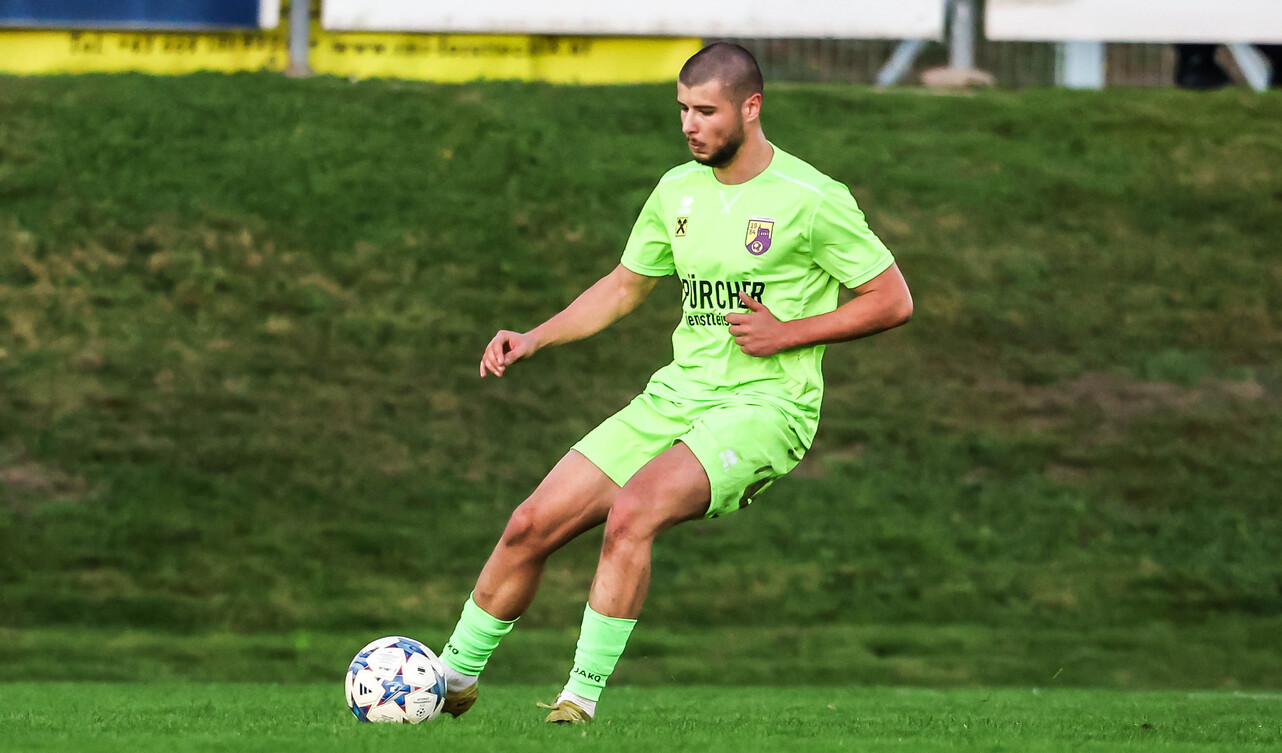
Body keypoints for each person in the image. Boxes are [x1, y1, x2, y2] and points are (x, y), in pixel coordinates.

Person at [435, 42, 914, 725]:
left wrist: (789, 333)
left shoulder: (812, 199)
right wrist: (534, 335)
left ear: (751, 108)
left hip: (767, 406)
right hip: (675, 395)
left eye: (706, 111)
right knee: (530, 523)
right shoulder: (676, 190)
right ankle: (448, 679)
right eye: (683, 109)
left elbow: (892, 300)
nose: (690, 124)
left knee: (634, 511)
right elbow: (626, 287)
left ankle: (579, 699)